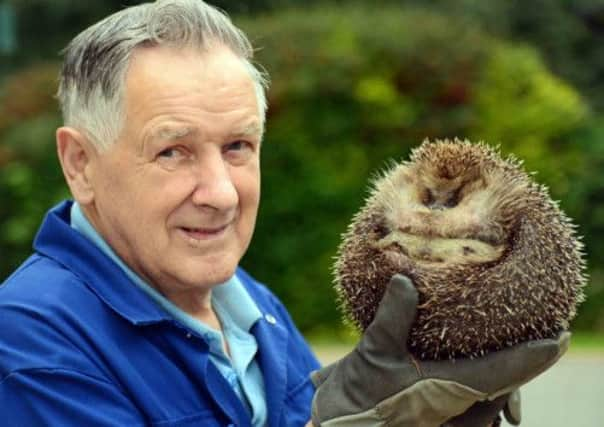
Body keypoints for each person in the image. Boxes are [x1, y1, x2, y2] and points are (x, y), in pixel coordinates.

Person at [0, 1, 568, 426]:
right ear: (81, 165)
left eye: (238, 147)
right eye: (172, 151)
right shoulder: (28, 344)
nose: (221, 193)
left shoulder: (253, 309)